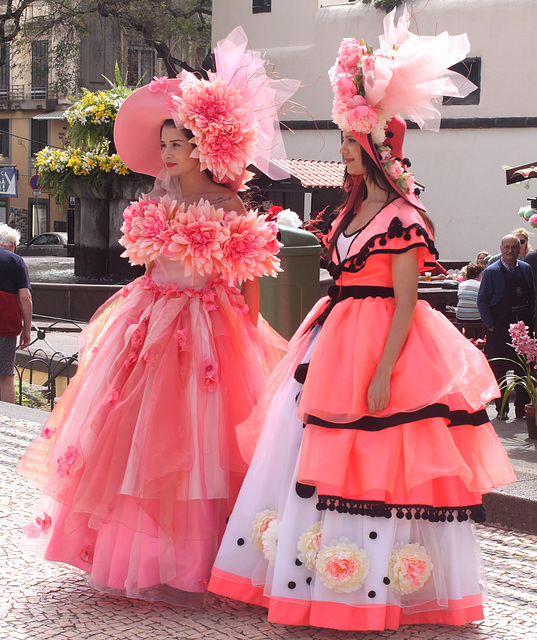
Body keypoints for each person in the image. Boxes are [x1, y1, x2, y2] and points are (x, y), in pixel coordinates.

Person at [209, 9, 515, 632]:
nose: (342, 152)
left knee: (380, 458)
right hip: (332, 337)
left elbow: (407, 304)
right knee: (312, 453)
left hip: (380, 343)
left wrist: (382, 372)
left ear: (375, 147)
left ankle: (372, 586)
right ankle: (317, 579)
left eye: (349, 143)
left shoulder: (403, 218)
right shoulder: (347, 215)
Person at [17, 27, 298, 606]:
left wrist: (247, 331)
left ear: (204, 147)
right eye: (164, 143)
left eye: (175, 144)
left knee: (203, 445)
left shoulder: (229, 205)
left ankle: (204, 558)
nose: (165, 153)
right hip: (150, 322)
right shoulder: (155, 200)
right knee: (134, 437)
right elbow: (146, 267)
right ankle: (144, 555)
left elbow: (248, 280)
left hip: (211, 330)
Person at [477, 234, 535, 420]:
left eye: (514, 247)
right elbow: (482, 300)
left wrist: (531, 323)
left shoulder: (526, 268)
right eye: (507, 247)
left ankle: (522, 411)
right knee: (500, 371)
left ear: (520, 249)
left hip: (523, 329)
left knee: (523, 371)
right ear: (501, 248)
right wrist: (490, 325)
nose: (511, 251)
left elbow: (532, 297)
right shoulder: (491, 271)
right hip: (499, 328)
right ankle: (502, 410)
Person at [0, 224, 32, 402]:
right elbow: (25, 297)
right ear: (13, 244)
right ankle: (7, 421)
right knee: (5, 373)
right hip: (5, 324)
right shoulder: (16, 261)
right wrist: (27, 328)